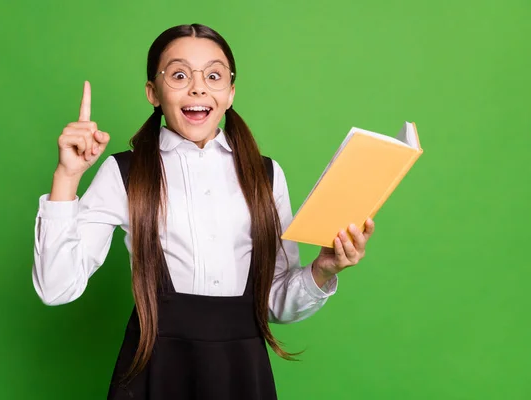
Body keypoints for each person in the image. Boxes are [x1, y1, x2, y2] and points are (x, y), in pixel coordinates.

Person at [32, 23, 375, 400]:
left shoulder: (266, 176)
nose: (198, 87)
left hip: (241, 373)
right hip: (154, 369)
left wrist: (324, 269)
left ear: (230, 93)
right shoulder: (126, 172)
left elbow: (273, 303)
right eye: (179, 75)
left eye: (213, 75)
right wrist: (66, 177)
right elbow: (56, 287)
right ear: (153, 92)